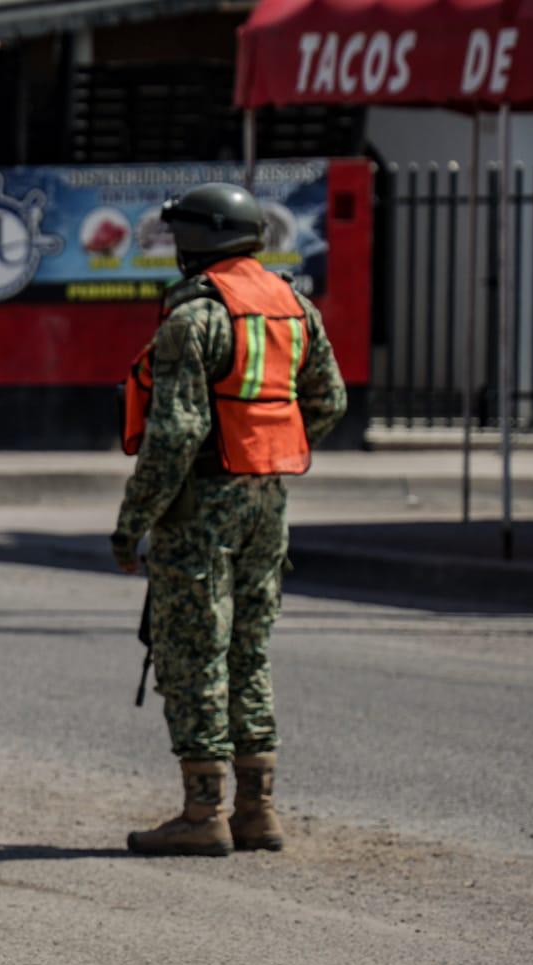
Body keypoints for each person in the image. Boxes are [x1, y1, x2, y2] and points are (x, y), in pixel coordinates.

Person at [111, 183, 346, 857]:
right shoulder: (295, 307)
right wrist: (265, 452)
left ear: (195, 241)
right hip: (267, 502)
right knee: (249, 648)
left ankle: (202, 812)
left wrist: (132, 524)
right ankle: (257, 809)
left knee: (194, 652)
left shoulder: (194, 319)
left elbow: (174, 435)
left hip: (201, 507)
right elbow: (328, 401)